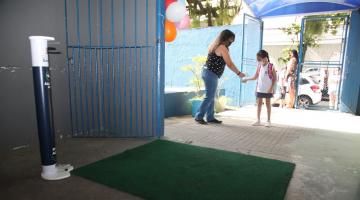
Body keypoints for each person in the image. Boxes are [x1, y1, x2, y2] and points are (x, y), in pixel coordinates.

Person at [195, 29, 245, 125]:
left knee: (211, 96)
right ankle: (199, 116)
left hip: (208, 72)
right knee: (209, 96)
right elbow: (229, 63)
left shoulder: (215, 45)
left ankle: (210, 117)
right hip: (210, 73)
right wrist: (239, 73)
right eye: (231, 39)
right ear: (226, 38)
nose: (232, 42)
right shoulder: (222, 47)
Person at [242, 50, 277, 127]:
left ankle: (268, 120)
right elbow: (255, 77)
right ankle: (258, 120)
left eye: (260, 59)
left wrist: (271, 88)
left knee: (268, 104)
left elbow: (275, 78)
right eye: (259, 60)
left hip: (268, 89)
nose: (260, 61)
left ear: (265, 57)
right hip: (260, 89)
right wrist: (246, 79)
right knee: (259, 104)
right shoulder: (259, 66)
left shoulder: (271, 66)